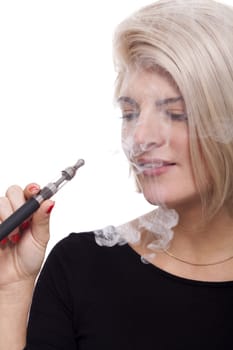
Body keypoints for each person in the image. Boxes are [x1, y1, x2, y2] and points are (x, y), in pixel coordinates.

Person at [1, 0, 233, 348]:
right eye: (130, 114)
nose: (140, 137)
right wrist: (13, 289)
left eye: (176, 113)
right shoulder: (79, 268)